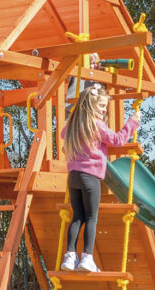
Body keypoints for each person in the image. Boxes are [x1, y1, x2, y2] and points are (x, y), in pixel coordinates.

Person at [59, 83, 141, 272]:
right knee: (91, 217)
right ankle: (87, 257)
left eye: (105, 106)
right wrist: (133, 121)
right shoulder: (97, 125)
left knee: (77, 217)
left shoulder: (73, 124)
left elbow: (63, 133)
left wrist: (75, 114)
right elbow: (117, 140)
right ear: (90, 106)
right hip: (90, 177)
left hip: (73, 178)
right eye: (101, 106)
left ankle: (70, 256)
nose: (104, 110)